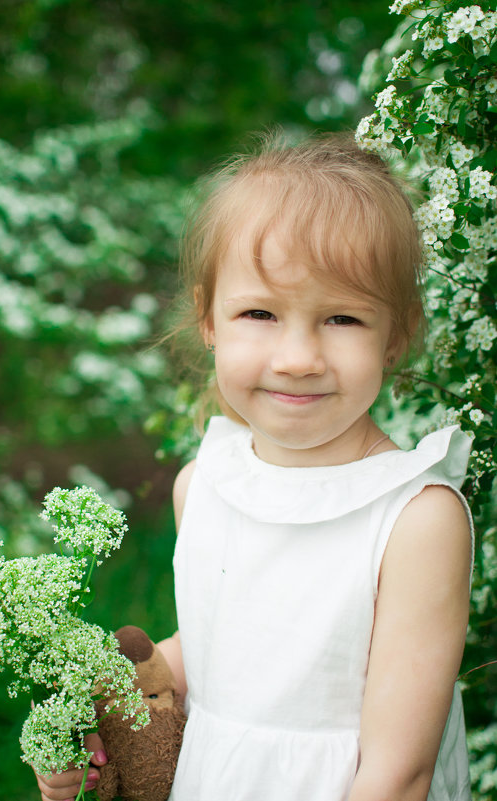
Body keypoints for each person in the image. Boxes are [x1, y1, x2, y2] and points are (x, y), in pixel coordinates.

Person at [35, 133, 474, 801]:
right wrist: (97, 720)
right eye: (259, 312)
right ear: (208, 316)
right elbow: (219, 647)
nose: (297, 356)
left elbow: (399, 772)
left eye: (342, 318)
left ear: (398, 332)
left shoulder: (415, 518)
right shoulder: (205, 482)